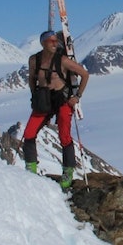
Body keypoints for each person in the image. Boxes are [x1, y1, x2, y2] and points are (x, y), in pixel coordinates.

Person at [23, 30, 90, 190]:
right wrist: (34, 96)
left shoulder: (63, 61)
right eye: (51, 41)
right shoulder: (34, 60)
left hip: (62, 100)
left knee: (64, 137)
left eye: (55, 41)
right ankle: (30, 169)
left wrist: (77, 96)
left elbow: (85, 74)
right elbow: (32, 78)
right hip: (43, 100)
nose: (55, 43)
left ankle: (68, 172)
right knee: (29, 133)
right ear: (43, 43)